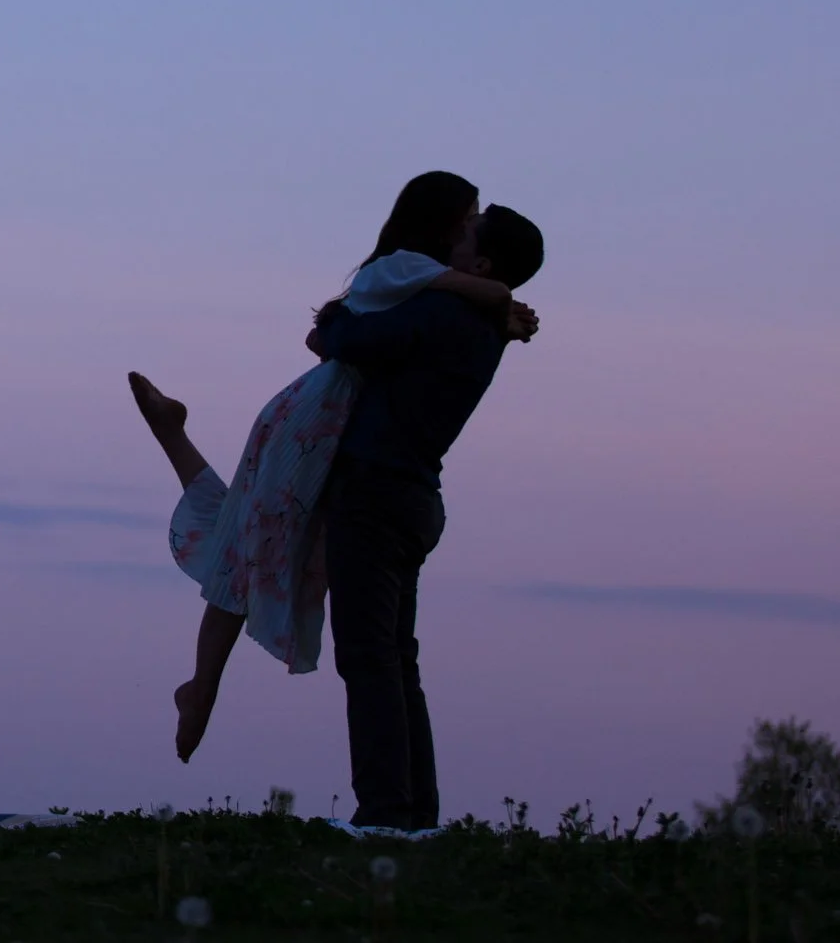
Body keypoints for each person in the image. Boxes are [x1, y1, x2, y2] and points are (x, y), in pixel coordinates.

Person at [127, 173, 539, 764]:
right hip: (314, 423)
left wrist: (496, 305)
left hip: (326, 427)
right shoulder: (411, 274)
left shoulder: (433, 293)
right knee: (249, 543)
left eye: (474, 221)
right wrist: (497, 299)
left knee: (247, 539)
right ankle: (203, 687)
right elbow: (355, 331)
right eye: (466, 214)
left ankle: (172, 437)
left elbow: (362, 333)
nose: (467, 225)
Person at [309, 197, 544, 829]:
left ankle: (385, 811)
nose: (451, 237)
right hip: (412, 497)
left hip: (374, 493)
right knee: (396, 658)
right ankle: (414, 812)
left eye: (466, 232)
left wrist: (330, 318)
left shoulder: (444, 312)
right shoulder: (484, 324)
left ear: (482, 263)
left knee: (368, 658)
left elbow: (350, 339)